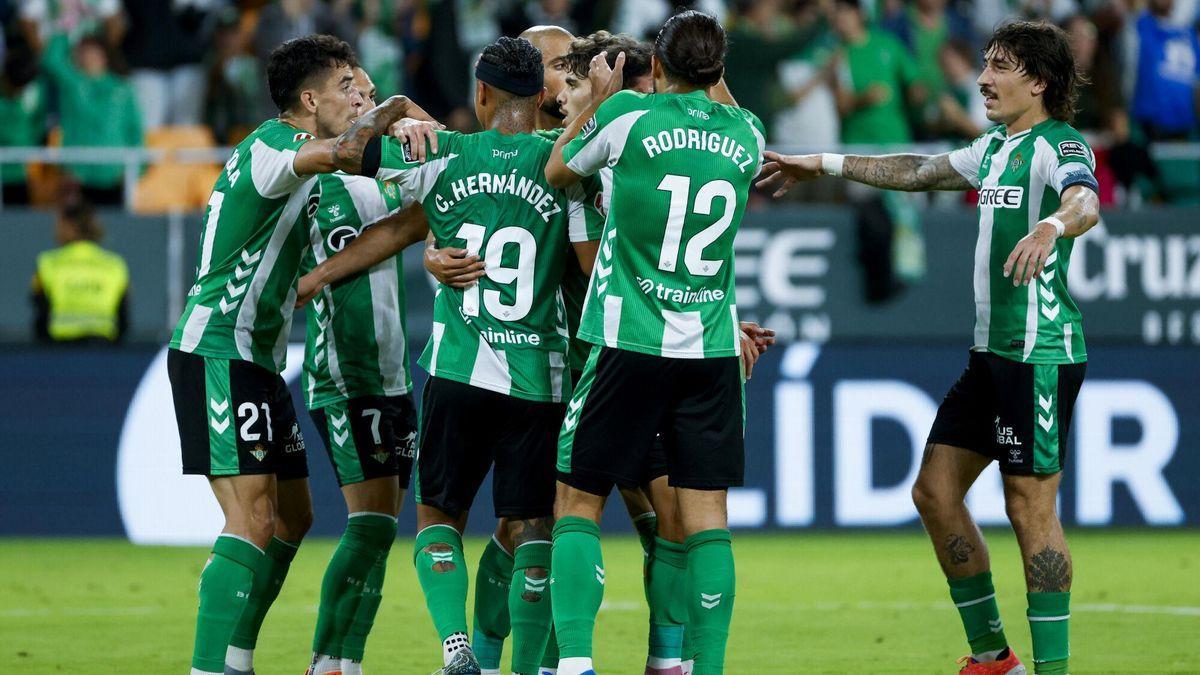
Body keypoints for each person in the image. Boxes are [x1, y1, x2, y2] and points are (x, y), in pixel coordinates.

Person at [757, 20, 1100, 675]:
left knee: (1029, 507)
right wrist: (822, 161)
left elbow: (1084, 201)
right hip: (990, 356)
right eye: (985, 63)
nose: (982, 77)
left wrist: (1053, 225)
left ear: (1038, 82)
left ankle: (1052, 670)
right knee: (934, 492)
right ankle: (996, 655)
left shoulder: (1059, 145)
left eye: (1000, 65)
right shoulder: (998, 148)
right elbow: (916, 169)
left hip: (1040, 356)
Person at [311, 35, 597, 675]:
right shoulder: (565, 166)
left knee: (439, 516)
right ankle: (528, 667)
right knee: (533, 530)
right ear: (541, 95)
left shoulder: (444, 155)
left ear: (483, 94)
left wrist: (397, 108)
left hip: (460, 368)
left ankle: (455, 647)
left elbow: (350, 150)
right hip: (540, 374)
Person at [164, 34, 432, 675]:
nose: (356, 97)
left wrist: (399, 120)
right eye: (346, 87)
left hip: (255, 356)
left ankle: (235, 653)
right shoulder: (270, 148)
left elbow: (377, 182)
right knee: (252, 518)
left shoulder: (291, 156)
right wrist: (394, 107)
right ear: (309, 99)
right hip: (217, 347)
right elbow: (345, 149)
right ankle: (215, 667)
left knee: (292, 514)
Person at [544, 10, 766, 675]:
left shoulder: (629, 120)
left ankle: (578, 662)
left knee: (577, 500)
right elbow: (727, 104)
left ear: (658, 68)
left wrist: (605, 100)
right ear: (718, 69)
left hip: (628, 340)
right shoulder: (748, 135)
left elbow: (559, 170)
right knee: (707, 518)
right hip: (709, 353)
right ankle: (707, 666)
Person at [298, 66, 431, 675]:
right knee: (371, 524)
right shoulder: (309, 177)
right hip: (345, 374)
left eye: (372, 94)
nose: (365, 98)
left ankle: (347, 661)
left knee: (382, 529)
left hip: (393, 372)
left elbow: (443, 190)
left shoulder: (383, 176)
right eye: (354, 89)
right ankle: (327, 661)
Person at [40, 31, 142, 205]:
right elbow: (50, 61)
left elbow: (135, 130)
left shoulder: (122, 89)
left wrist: (135, 170)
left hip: (113, 174)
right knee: (75, 229)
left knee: (114, 229)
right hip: (77, 173)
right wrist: (64, 29)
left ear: (104, 56)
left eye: (93, 52)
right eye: (83, 52)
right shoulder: (72, 83)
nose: (88, 57)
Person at [31, 199, 129, 344]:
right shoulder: (115, 265)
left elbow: (40, 312)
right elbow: (123, 317)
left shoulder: (47, 263)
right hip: (104, 350)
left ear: (67, 226)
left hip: (58, 351)